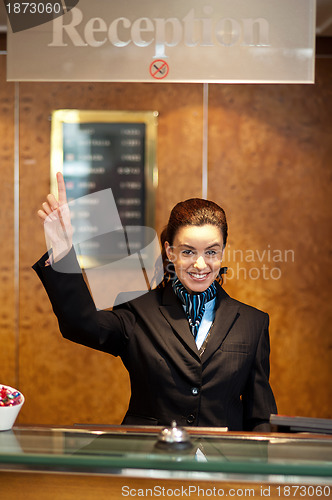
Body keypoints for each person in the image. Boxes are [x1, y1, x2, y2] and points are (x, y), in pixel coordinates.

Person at [33, 172, 277, 431]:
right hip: (151, 459)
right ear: (170, 252)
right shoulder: (139, 310)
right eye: (188, 251)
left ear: (223, 253)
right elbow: (80, 324)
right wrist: (62, 252)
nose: (200, 264)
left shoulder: (253, 323)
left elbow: (260, 417)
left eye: (211, 252)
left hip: (222, 465)